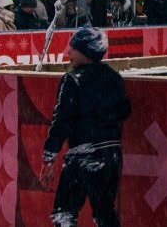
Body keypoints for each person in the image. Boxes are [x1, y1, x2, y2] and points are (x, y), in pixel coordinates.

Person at [41, 27, 131, 227]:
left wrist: (49, 154)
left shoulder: (72, 79)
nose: (68, 53)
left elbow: (62, 119)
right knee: (104, 213)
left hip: (83, 153)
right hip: (111, 154)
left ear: (85, 52)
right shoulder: (113, 77)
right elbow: (125, 110)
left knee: (64, 213)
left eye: (72, 48)